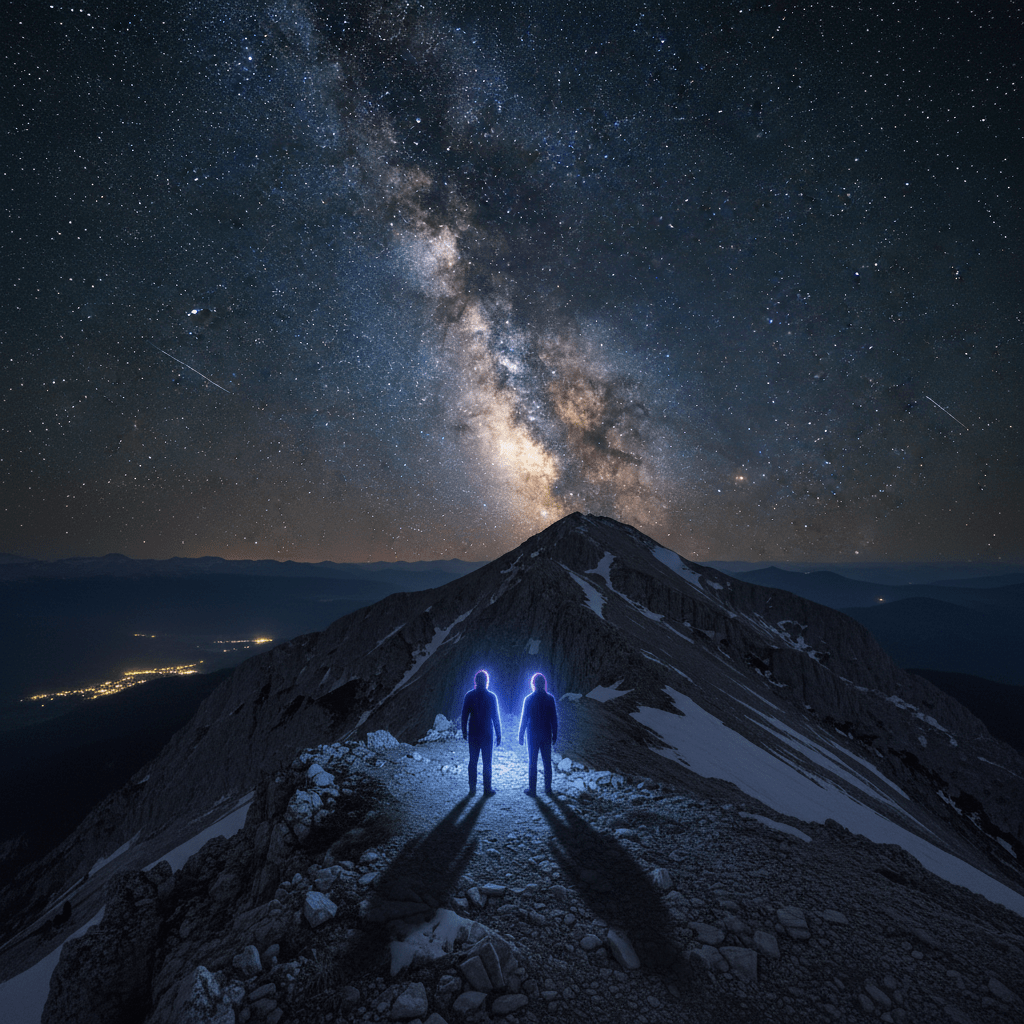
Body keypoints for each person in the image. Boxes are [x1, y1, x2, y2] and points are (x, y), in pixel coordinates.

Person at [461, 669, 501, 796]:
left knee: (473, 761)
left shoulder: (469, 695)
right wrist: (498, 734)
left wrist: (464, 730)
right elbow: (495, 717)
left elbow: (464, 715)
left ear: (475, 681)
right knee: (487, 762)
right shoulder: (491, 697)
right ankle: (487, 789)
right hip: (487, 734)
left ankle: (472, 789)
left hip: (473, 733)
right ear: (487, 681)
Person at [518, 672, 558, 796]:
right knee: (547, 762)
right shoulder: (550, 699)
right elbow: (554, 719)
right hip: (546, 733)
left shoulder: (528, 699)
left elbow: (524, 718)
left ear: (533, 684)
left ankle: (532, 789)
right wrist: (555, 734)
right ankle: (548, 789)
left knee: (532, 762)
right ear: (544, 684)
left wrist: (521, 734)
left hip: (532, 734)